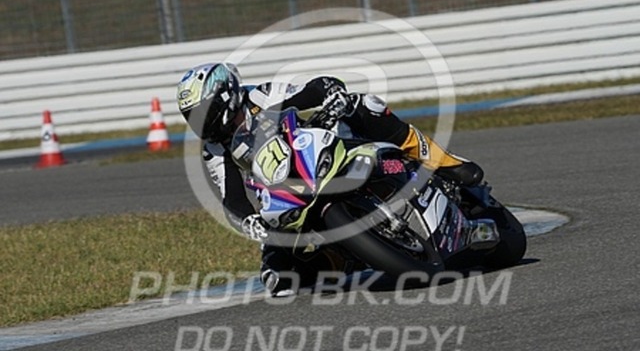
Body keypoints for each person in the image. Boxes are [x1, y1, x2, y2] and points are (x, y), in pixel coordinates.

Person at [177, 62, 483, 296]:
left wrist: (331, 95)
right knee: (278, 279)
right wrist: (249, 222)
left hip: (318, 149)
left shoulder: (260, 95)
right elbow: (231, 196)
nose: (199, 122)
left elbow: (315, 88)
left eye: (203, 112)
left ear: (225, 98)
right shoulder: (213, 149)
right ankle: (344, 256)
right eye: (191, 116)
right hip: (284, 193)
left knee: (365, 106)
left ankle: (444, 162)